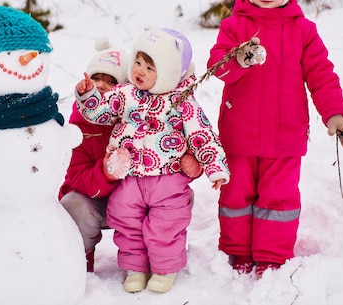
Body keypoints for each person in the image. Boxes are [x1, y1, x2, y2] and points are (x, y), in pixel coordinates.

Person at [206, 0, 343, 278]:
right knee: (237, 194)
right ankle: (239, 251)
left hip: (284, 136)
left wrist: (334, 113)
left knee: (279, 198)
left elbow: (321, 74)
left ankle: (271, 256)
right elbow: (217, 67)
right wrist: (238, 59)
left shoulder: (303, 31)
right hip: (239, 134)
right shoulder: (234, 26)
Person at [75, 28, 229, 293]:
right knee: (125, 220)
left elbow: (202, 134)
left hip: (167, 179)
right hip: (130, 177)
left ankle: (165, 268)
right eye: (137, 63)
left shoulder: (183, 102)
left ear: (168, 72)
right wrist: (89, 96)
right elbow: (99, 114)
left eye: (150, 67)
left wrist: (215, 167)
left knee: (165, 226)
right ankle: (135, 268)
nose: (139, 71)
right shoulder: (125, 94)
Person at [58, 38, 128, 273]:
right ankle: (79, 261)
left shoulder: (133, 121)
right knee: (72, 204)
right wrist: (105, 173)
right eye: (96, 78)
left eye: (112, 81)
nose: (102, 85)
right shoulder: (79, 125)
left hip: (130, 201)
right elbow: (76, 176)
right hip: (92, 199)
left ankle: (142, 259)